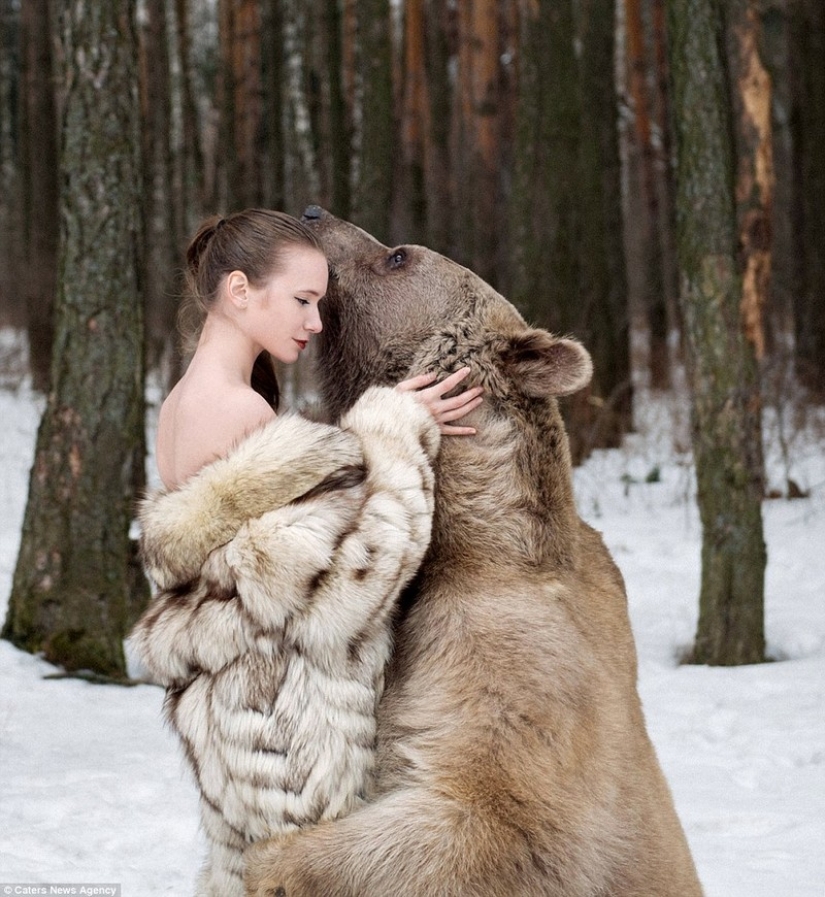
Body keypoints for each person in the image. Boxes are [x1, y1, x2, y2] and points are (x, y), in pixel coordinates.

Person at [130, 208, 482, 897]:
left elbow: (249, 567)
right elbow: (342, 589)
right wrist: (394, 429)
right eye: (301, 300)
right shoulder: (237, 411)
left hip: (235, 720)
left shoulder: (182, 402)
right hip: (286, 729)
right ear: (238, 291)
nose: (315, 322)